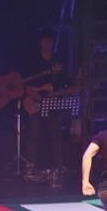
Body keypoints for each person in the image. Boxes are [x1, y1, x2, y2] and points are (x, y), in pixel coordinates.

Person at [23, 35, 69, 174]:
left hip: (52, 102)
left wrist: (58, 92)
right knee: (33, 134)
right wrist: (36, 93)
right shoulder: (33, 61)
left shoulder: (57, 61)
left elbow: (64, 83)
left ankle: (58, 167)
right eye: (44, 41)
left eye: (50, 41)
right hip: (35, 102)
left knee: (55, 134)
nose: (47, 44)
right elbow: (26, 84)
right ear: (40, 42)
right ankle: (30, 166)